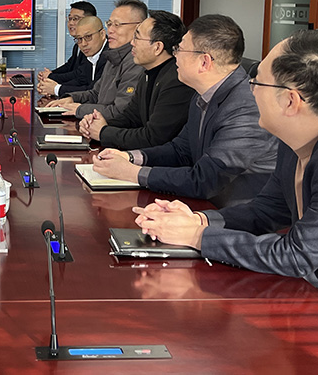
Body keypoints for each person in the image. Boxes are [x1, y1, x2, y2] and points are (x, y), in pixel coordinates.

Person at [133, 30, 318, 286]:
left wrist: (197, 236)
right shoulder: (291, 145)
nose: (250, 90)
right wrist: (198, 220)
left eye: (257, 82)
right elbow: (265, 211)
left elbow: (297, 255)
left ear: (290, 101)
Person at [93, 14, 277, 207]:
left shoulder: (245, 108)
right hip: (202, 206)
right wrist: (131, 157)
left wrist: (132, 173)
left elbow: (204, 180)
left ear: (204, 62)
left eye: (179, 49)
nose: (175, 55)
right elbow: (180, 150)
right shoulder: (203, 93)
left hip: (235, 216)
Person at [79, 10, 194, 150]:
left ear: (157, 47)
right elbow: (131, 117)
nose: (132, 43)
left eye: (137, 38)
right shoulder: (147, 74)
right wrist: (97, 124)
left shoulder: (176, 81)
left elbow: (153, 138)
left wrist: (103, 132)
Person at [46, 0, 147, 119]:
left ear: (139, 28)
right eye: (109, 24)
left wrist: (79, 109)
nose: (110, 30)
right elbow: (95, 93)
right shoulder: (113, 56)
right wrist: (72, 98)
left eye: (117, 25)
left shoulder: (136, 62)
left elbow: (121, 112)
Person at [37, 1, 105, 96]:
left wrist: (55, 87)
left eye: (75, 19)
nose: (71, 23)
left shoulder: (107, 55)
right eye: (69, 19)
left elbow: (90, 87)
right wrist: (51, 84)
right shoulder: (80, 46)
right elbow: (75, 72)